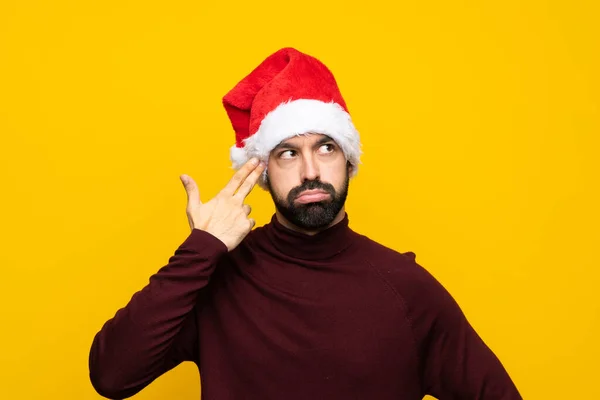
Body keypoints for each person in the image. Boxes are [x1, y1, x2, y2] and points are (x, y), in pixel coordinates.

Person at [88, 47, 522, 400]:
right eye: (289, 153)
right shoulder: (216, 278)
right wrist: (201, 248)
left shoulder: (406, 289)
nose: (311, 170)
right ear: (261, 171)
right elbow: (112, 375)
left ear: (349, 160)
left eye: (327, 148)